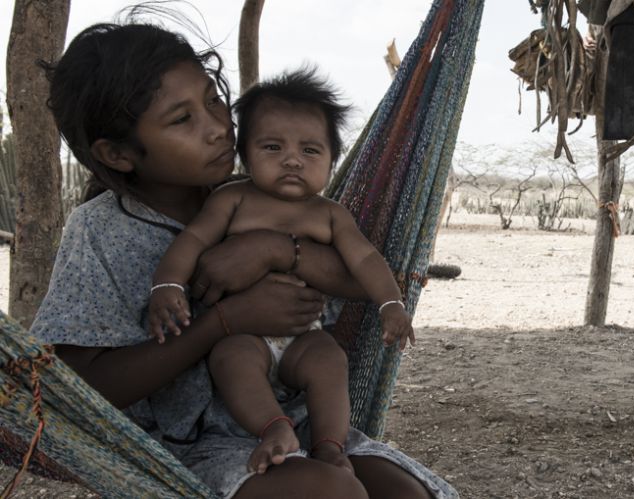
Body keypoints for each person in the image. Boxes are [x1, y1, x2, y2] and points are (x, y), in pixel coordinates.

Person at [28, 19, 456, 499]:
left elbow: (360, 280)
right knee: (334, 492)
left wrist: (277, 250)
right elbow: (77, 389)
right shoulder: (102, 230)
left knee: (408, 493)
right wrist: (223, 322)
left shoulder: (263, 192)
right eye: (182, 119)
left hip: (303, 423)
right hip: (185, 451)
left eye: (213, 101)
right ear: (118, 154)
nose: (217, 128)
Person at [147, 67, 415, 476]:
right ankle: (275, 429)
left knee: (330, 359)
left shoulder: (330, 215)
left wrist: (390, 304)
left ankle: (329, 446)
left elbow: (364, 260)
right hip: (245, 335)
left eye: (310, 151)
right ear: (246, 154)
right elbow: (193, 240)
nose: (292, 160)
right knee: (230, 358)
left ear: (332, 161)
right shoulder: (232, 199)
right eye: (272, 147)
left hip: (304, 337)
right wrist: (167, 284)